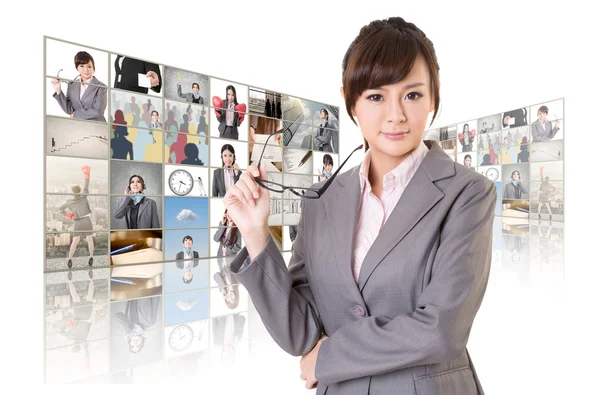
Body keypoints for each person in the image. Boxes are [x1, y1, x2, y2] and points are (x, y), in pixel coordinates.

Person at [222, 17, 496, 394]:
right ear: (351, 103)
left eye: (412, 95)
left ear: (433, 98)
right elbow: (301, 332)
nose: (396, 114)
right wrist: (255, 234)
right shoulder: (322, 199)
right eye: (376, 96)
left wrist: (331, 357)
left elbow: (442, 329)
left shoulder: (467, 193)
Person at [50, 51, 107, 121]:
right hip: (78, 126)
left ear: (93, 68)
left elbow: (98, 112)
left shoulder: (101, 87)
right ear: (77, 68)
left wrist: (75, 115)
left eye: (89, 66)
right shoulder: (72, 85)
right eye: (82, 66)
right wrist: (58, 90)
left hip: (97, 126)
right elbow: (69, 110)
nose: (86, 70)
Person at [59, 165, 95, 268]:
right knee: (90, 240)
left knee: (74, 242)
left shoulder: (69, 202)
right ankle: (91, 257)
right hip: (87, 221)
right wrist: (87, 174)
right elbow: (86, 185)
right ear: (79, 191)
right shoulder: (83, 197)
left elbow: (60, 209)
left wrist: (68, 215)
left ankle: (70, 259)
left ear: (72, 192)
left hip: (78, 222)